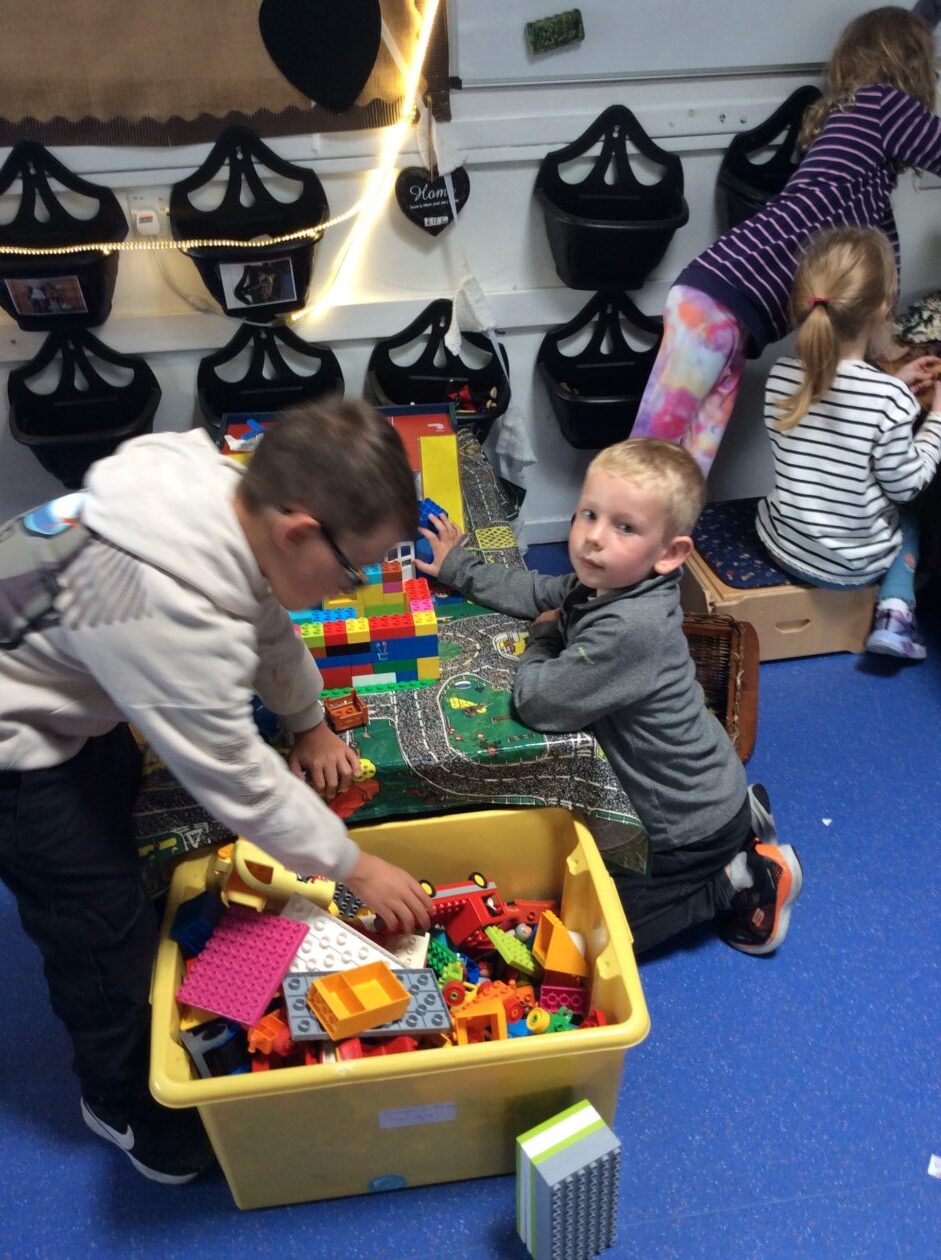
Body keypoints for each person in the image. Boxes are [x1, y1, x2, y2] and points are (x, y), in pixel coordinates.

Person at [0, 398, 433, 1185]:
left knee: (111, 820)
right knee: (94, 925)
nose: (355, 587)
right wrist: (355, 866)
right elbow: (237, 780)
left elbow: (266, 621)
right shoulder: (168, 610)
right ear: (297, 531)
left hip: (59, 686)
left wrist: (308, 720)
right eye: (353, 568)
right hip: (13, 745)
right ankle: (121, 1101)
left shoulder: (219, 492)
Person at [416, 438, 803, 961]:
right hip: (700, 788)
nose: (594, 538)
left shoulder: (630, 627)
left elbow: (538, 702)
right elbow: (539, 592)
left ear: (669, 554)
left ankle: (740, 878)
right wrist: (457, 568)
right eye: (588, 514)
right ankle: (739, 827)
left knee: (589, 942)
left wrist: (545, 637)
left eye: (624, 527)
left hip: (682, 828)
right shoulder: (615, 581)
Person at [631, 5, 941, 475]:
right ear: (911, 68)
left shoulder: (863, 179)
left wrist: (894, 359)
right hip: (715, 301)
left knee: (688, 466)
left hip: (730, 317)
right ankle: (598, 521)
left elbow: (882, 279)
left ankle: (646, 525)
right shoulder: (880, 104)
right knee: (647, 455)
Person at [755, 226, 941, 659]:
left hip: (784, 547)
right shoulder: (888, 400)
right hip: (850, 568)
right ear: (883, 308)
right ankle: (896, 614)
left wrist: (895, 384)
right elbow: (907, 486)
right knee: (909, 522)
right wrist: (935, 420)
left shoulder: (782, 374)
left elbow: (839, 414)